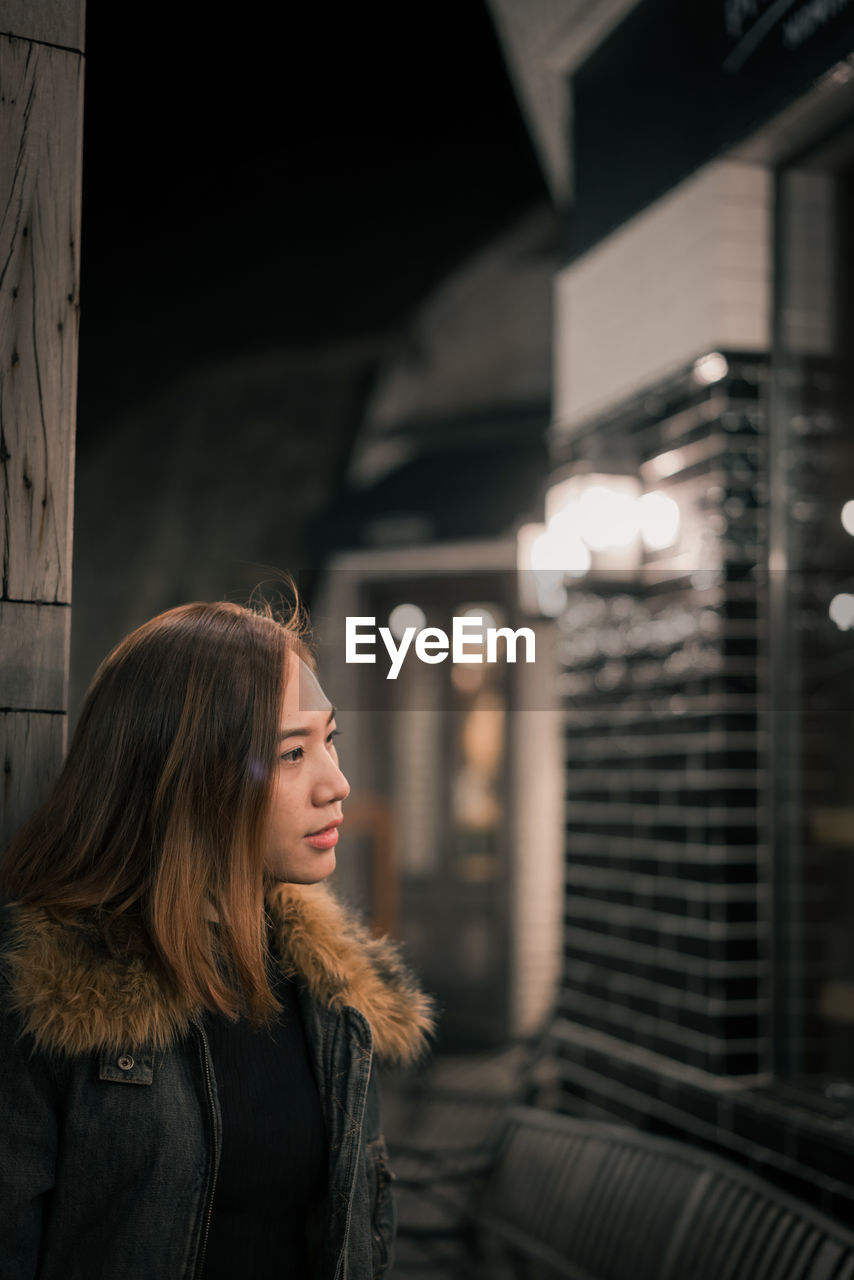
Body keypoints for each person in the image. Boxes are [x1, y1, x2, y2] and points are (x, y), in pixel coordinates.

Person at [0, 599, 433, 1280]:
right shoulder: (49, 1003)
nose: (337, 784)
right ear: (190, 776)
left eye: (330, 739)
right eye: (291, 752)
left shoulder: (332, 997)